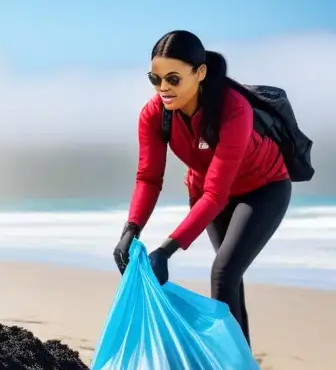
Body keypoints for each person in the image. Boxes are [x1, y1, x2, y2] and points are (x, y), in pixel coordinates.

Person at [115, 30, 291, 346]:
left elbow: (217, 194)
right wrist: (131, 230)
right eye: (155, 79)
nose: (163, 89)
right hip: (205, 194)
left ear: (200, 73)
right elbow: (148, 178)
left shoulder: (233, 109)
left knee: (223, 273)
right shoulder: (154, 115)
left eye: (173, 78)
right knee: (229, 281)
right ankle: (241, 369)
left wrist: (167, 249)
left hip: (263, 188)